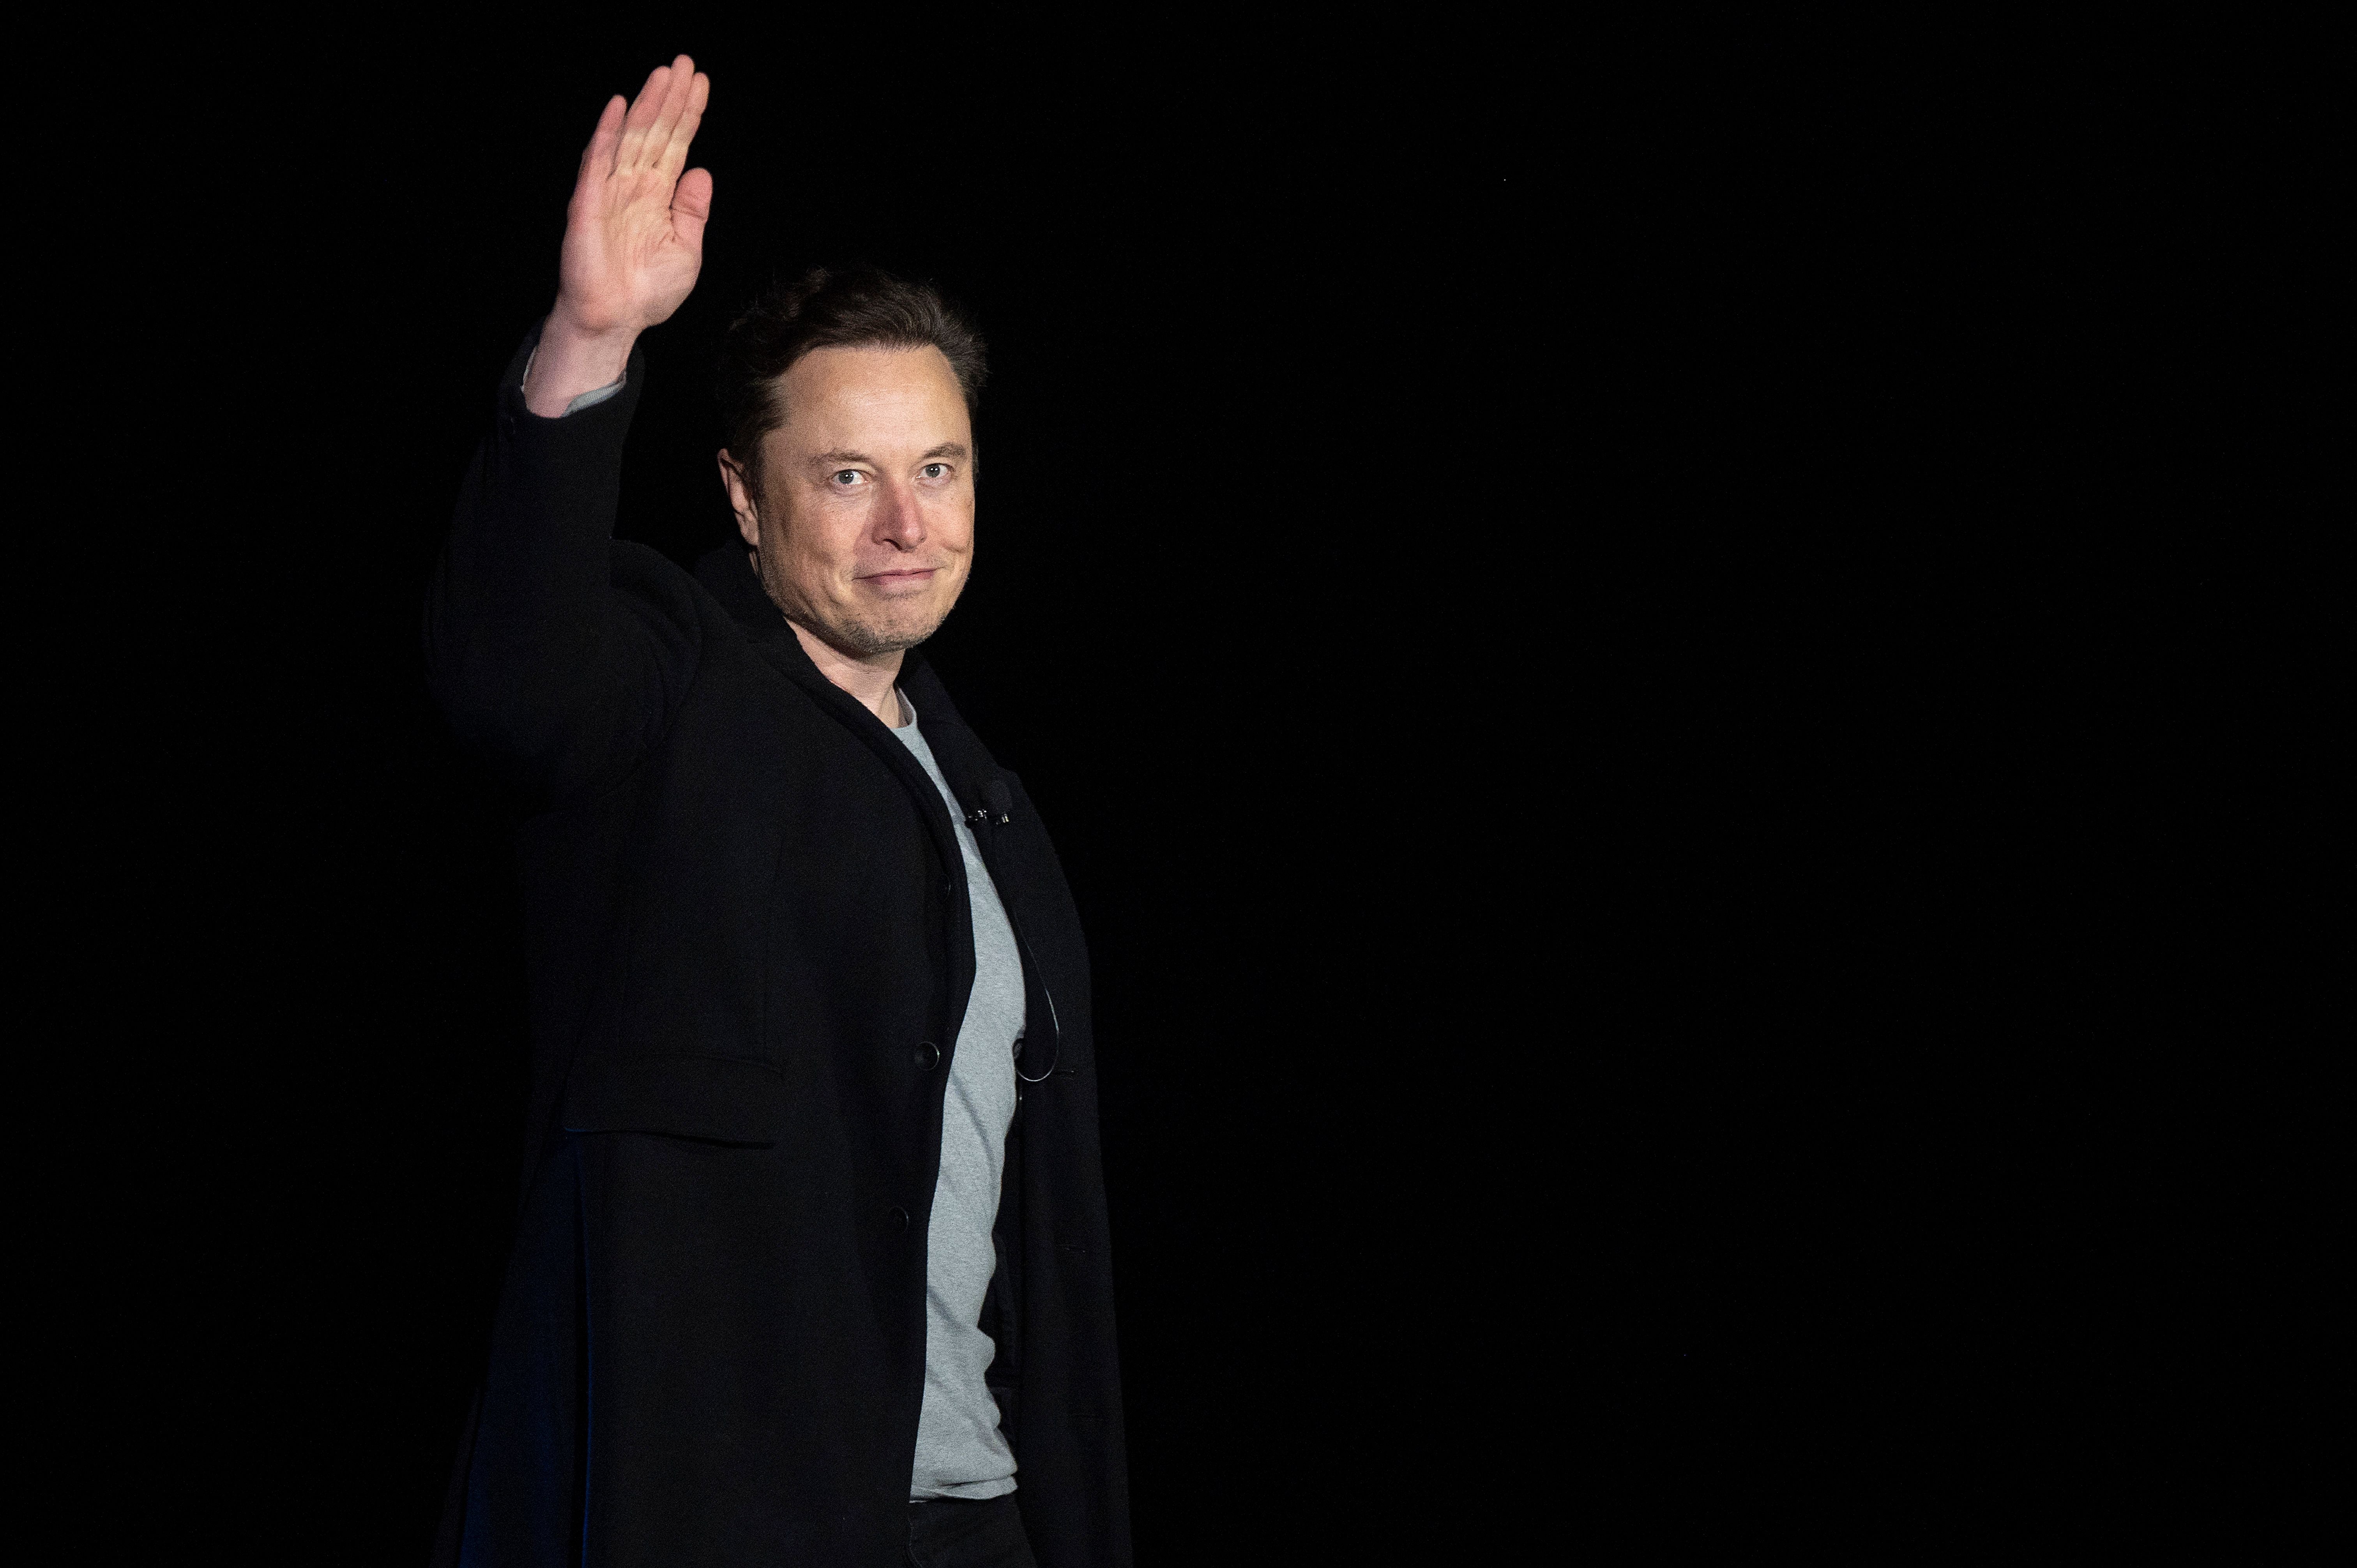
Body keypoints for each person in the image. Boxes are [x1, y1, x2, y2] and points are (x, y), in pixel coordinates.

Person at [424, 56, 1129, 1568]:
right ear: (747, 498)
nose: (905, 525)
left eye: (938, 470)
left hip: (976, 1514)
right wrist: (591, 337)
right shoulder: (670, 690)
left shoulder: (994, 808)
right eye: (849, 476)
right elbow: (509, 675)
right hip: (731, 1520)